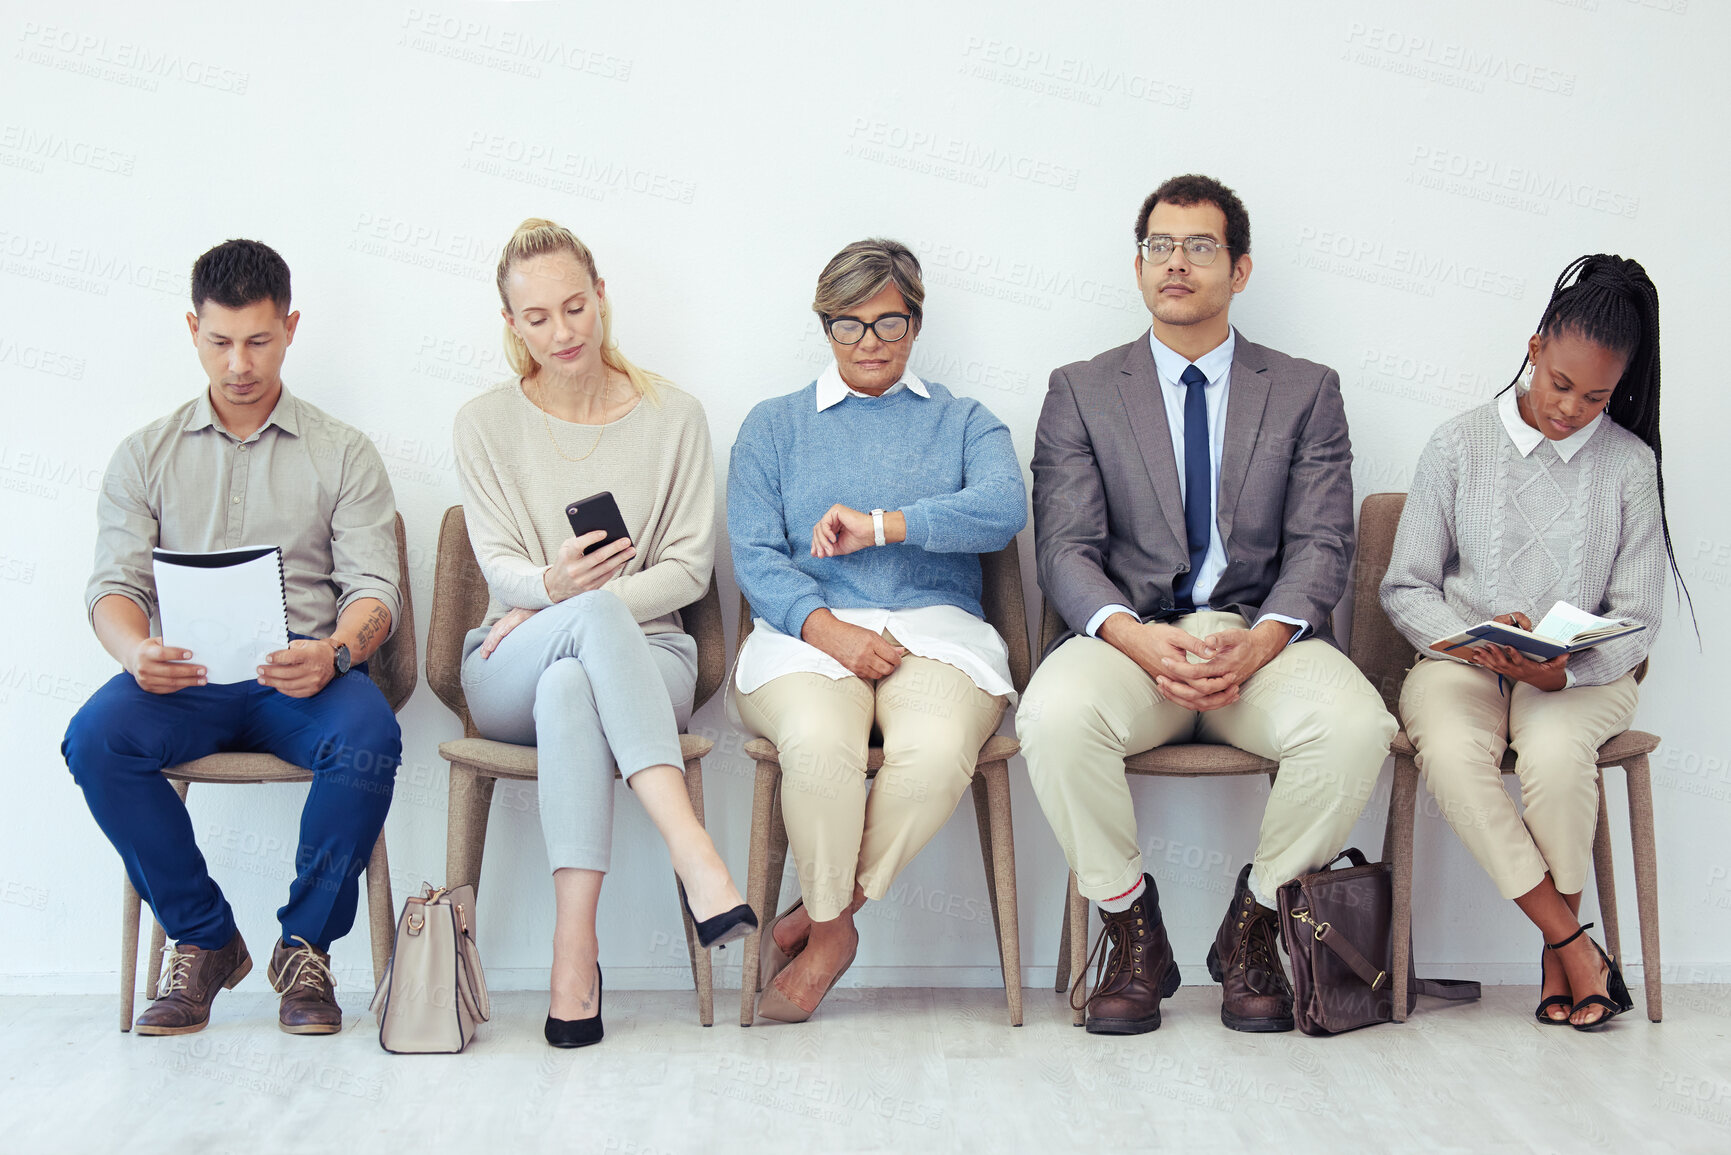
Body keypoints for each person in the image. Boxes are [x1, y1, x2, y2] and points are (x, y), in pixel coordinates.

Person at [1016, 174, 1398, 1036]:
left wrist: (1262, 643)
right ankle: (1131, 930)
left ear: (1241, 267)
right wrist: (1132, 639)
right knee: (1053, 716)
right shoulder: (1081, 389)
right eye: (1157, 245)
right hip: (1130, 641)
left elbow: (1322, 545)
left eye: (1198, 247)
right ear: (1138, 265)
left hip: (1260, 639)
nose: (1174, 264)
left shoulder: (1304, 389)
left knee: (1355, 728)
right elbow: (1064, 550)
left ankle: (1255, 923)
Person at [62, 239, 403, 1036]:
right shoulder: (144, 454)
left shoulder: (343, 451)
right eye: (220, 341)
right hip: (186, 680)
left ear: (289, 328)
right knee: (95, 738)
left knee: (369, 733)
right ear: (192, 329)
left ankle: (304, 947)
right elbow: (112, 586)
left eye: (257, 339)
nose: (239, 362)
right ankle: (205, 935)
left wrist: (338, 652)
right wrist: (133, 650)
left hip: (307, 678)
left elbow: (373, 590)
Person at [453, 218, 754, 1049]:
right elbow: (501, 563)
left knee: (571, 681)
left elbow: (690, 571)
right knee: (568, 642)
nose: (562, 331)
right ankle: (696, 857)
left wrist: (568, 603)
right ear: (511, 324)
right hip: (506, 656)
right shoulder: (482, 423)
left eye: (575, 306)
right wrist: (555, 592)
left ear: (601, 298)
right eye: (538, 317)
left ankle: (572, 956)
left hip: (648, 659)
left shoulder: (676, 417)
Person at [1380, 255, 1684, 1030]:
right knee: (1450, 750)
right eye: (1558, 383)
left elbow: (1639, 616)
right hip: (1464, 662)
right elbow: (1404, 585)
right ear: (1533, 346)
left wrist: (1563, 669)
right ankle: (1571, 943)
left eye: (1595, 396)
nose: (1570, 408)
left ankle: (1562, 956)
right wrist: (1470, 639)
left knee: (1551, 753)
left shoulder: (1629, 465)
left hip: (1581, 675)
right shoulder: (1457, 444)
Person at [728, 238, 1027, 1024]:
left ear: (916, 321)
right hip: (804, 638)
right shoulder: (772, 426)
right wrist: (830, 631)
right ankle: (831, 932)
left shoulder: (965, 421)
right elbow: (754, 556)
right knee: (820, 751)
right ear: (823, 326)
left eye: (888, 323)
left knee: (932, 757)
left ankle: (825, 918)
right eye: (848, 325)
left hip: (938, 634)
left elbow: (1003, 509)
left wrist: (885, 525)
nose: (868, 343)